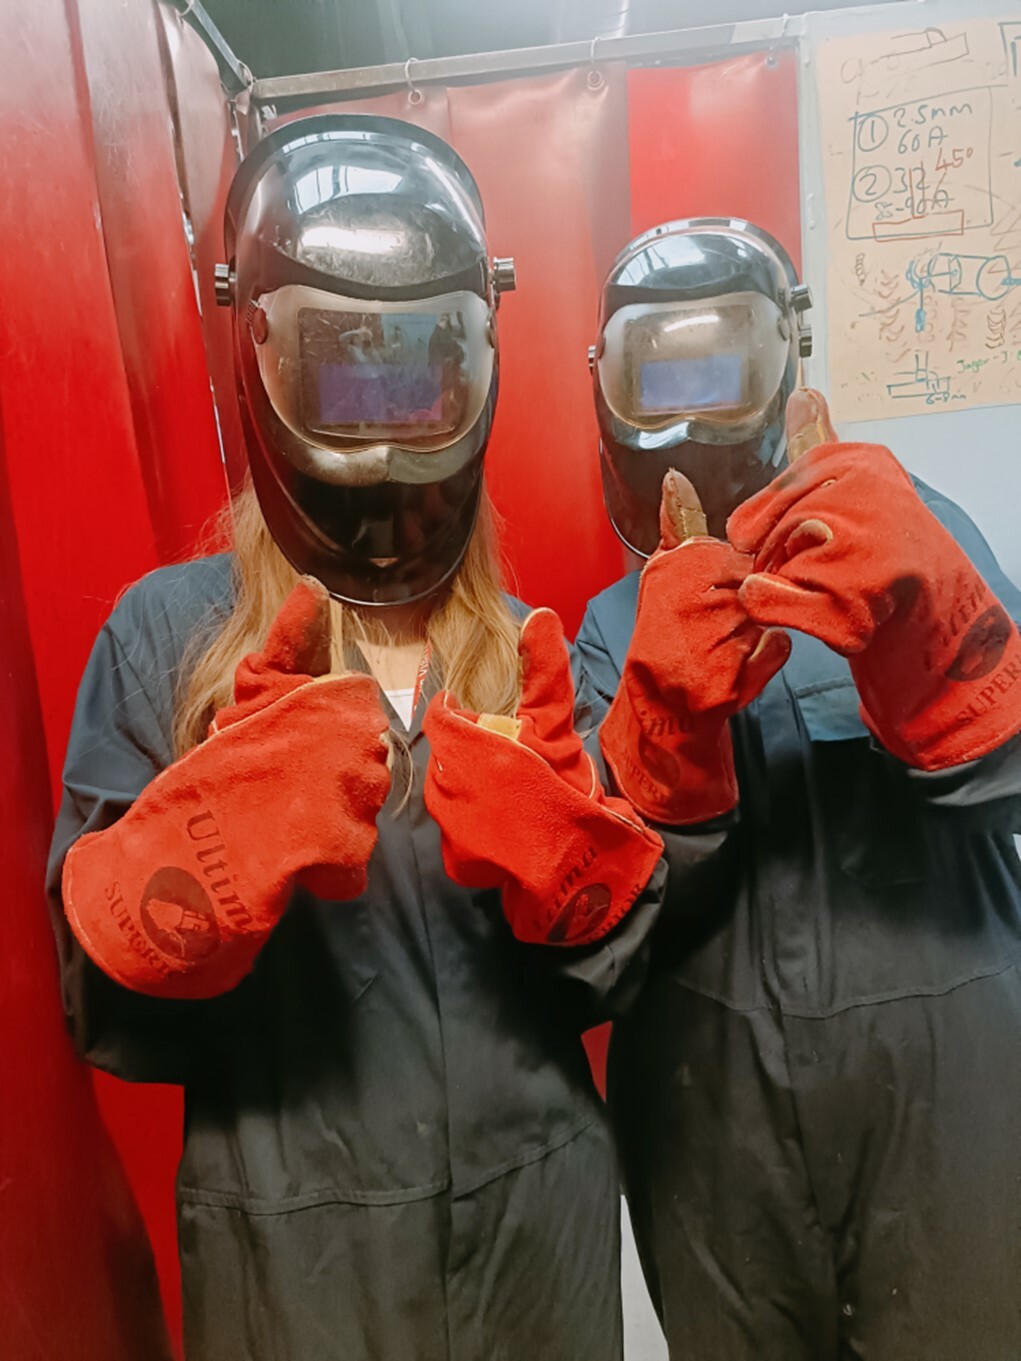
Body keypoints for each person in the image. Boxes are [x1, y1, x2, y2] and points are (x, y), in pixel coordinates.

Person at [47, 115, 666, 1361]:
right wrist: (206, 859)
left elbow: (609, 977)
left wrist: (576, 881)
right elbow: (104, 1003)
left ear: (471, 369)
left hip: (531, 1225)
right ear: (266, 356)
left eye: (417, 368)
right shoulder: (168, 636)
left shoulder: (525, 653)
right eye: (345, 367)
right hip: (297, 1256)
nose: (383, 423)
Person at [576, 217, 1021, 1359]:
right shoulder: (611, 630)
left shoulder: (910, 528)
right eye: (659, 374)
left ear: (785, 356)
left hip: (947, 1079)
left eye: (721, 364)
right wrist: (659, 727)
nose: (692, 417)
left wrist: (931, 643)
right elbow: (593, 919)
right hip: (709, 1099)